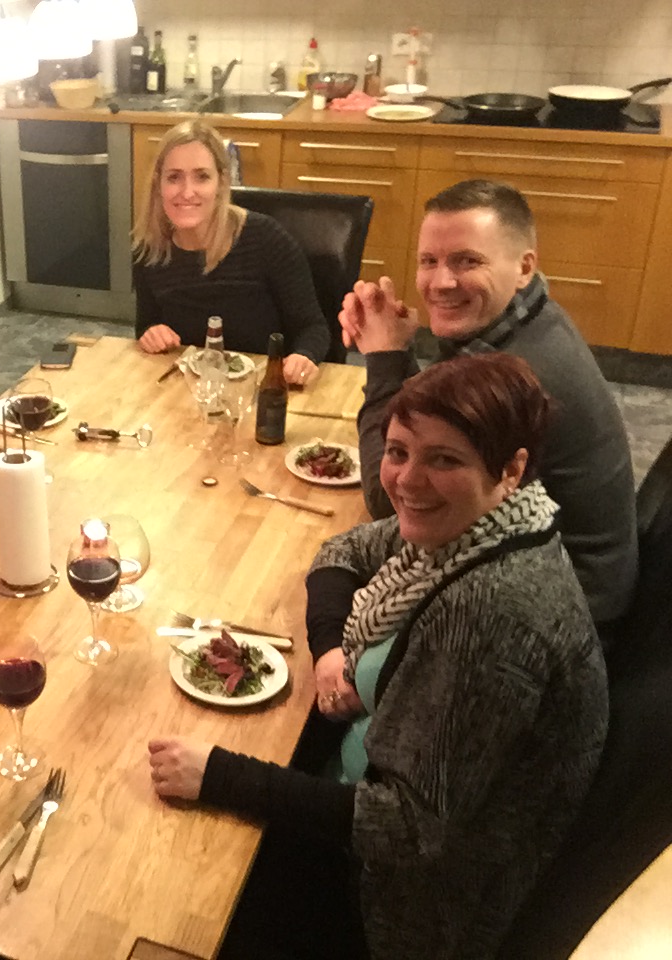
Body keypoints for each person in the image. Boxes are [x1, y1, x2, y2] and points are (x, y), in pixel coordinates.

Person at [148, 354, 608, 960]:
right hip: (359, 784)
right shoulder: (482, 527)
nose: (408, 481)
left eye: (444, 459)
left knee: (169, 891)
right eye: (398, 451)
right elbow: (342, 549)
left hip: (399, 908)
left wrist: (219, 776)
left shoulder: (491, 613)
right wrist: (330, 651)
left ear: (511, 469)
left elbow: (407, 830)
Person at [338, 178, 636, 629]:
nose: (441, 282)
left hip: (550, 616)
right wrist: (395, 350)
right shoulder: (526, 320)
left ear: (524, 267)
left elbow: (395, 499)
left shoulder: (522, 373)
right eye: (429, 261)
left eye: (467, 261)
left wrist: (383, 357)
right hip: (540, 573)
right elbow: (434, 426)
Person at [132, 119, 329, 386]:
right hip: (186, 388)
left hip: (262, 387)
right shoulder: (149, 251)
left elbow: (313, 327)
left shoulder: (266, 238)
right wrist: (151, 334)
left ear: (222, 182)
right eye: (174, 177)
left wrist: (304, 356)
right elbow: (146, 325)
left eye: (202, 177)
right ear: (158, 184)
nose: (187, 192)